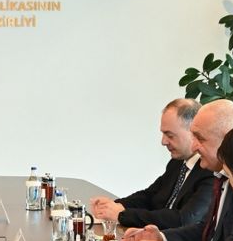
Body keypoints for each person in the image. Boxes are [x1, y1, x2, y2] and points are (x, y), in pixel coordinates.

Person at [123, 99, 233, 241]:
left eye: (200, 138)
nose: (193, 146)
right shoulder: (221, 176)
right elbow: (206, 230)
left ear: (227, 140)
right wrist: (161, 237)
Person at [88, 98, 210, 230]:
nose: (163, 142)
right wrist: (115, 205)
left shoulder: (209, 171)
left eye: (170, 135)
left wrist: (121, 215)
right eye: (163, 134)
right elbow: (150, 195)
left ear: (193, 132)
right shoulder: (177, 162)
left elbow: (182, 220)